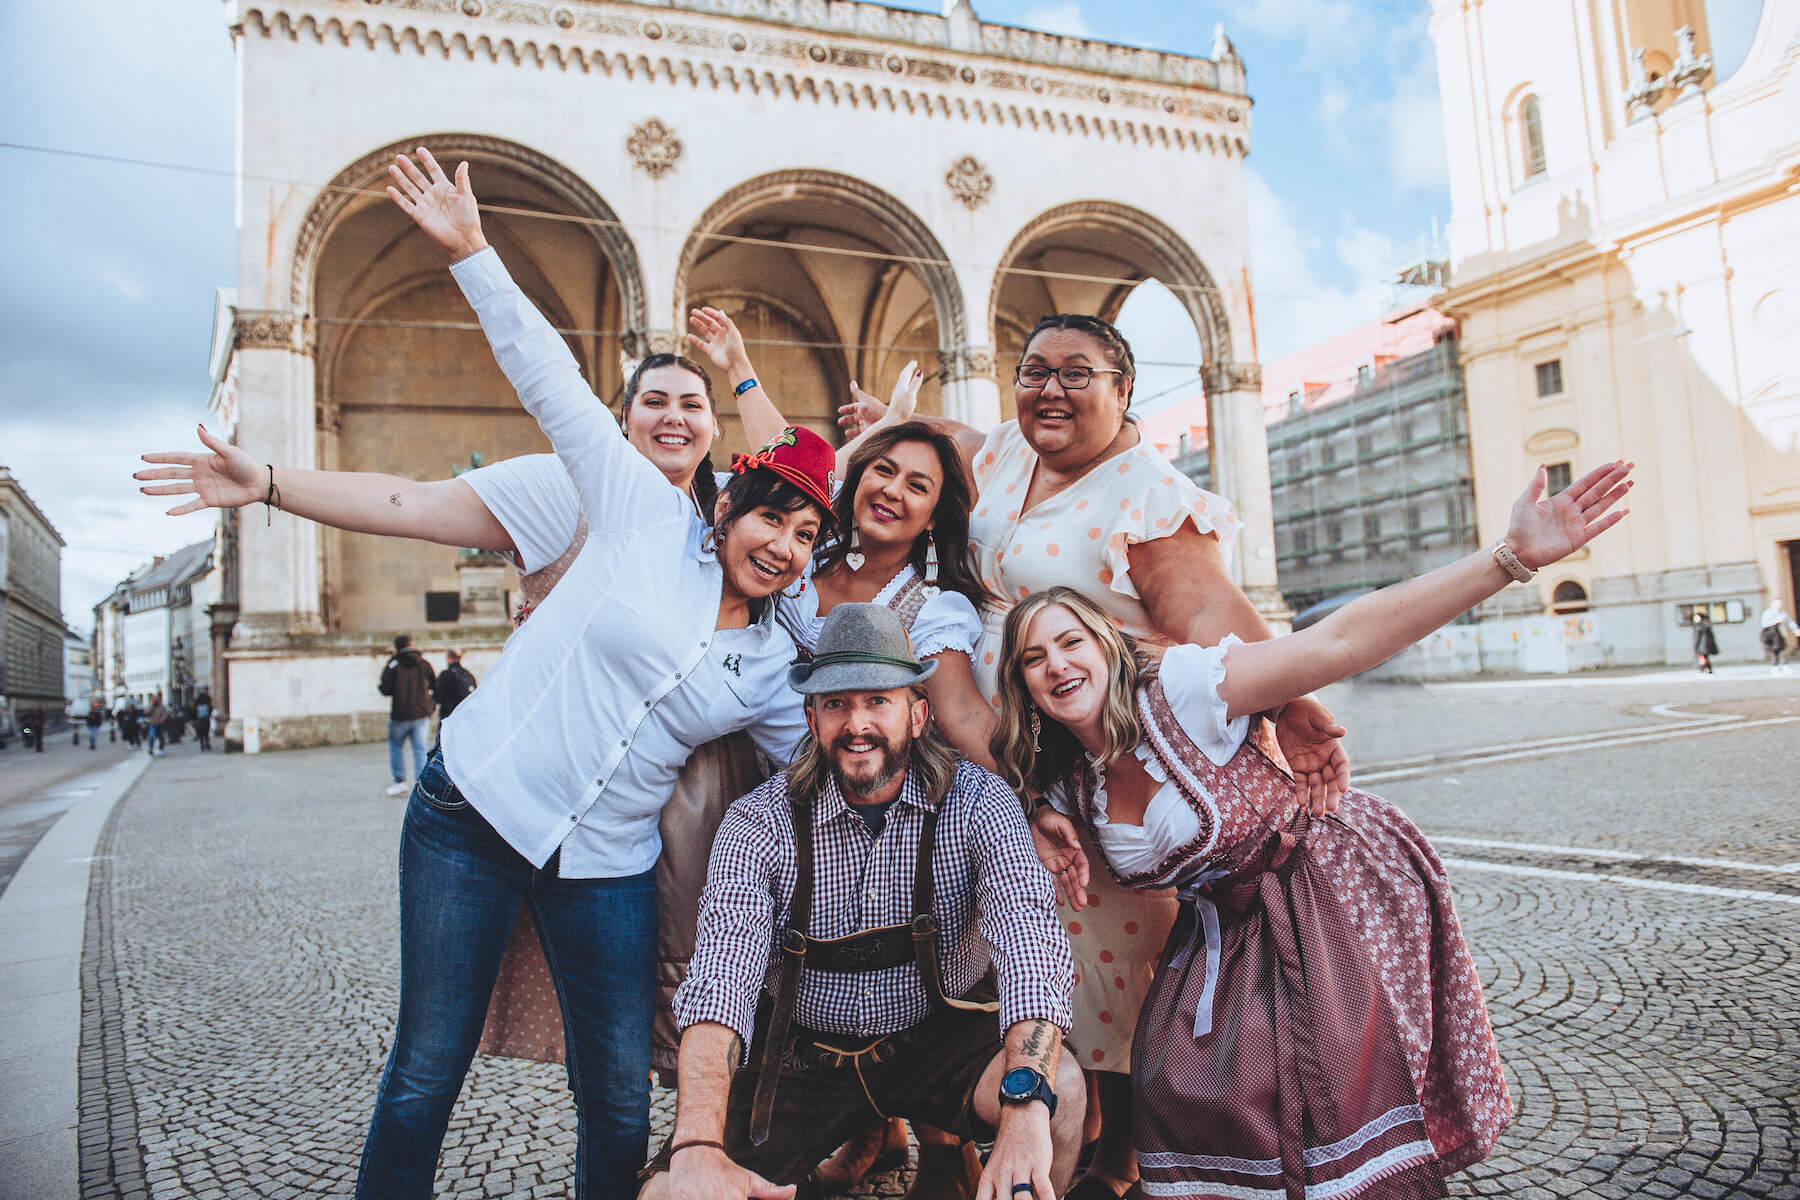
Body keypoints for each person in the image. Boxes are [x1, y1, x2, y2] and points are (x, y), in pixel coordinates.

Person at [307, 147, 832, 1200]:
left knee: (616, 1097)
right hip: (475, 813)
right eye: (771, 514)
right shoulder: (641, 516)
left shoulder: (779, 660)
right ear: (727, 509)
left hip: (608, 858)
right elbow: (549, 379)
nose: (783, 542)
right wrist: (472, 252)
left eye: (807, 533)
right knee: (425, 1072)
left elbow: (813, 773)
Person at [992, 460, 1633, 1200]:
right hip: (1221, 933)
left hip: (1326, 891)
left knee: (1332, 1103)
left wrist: (1507, 560)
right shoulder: (1073, 781)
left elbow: (1340, 643)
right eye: (1034, 658)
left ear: (1105, 645)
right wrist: (1038, 812)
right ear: (1024, 688)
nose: (1057, 665)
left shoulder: (1185, 689)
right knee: (1182, 1094)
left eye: (1070, 642)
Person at [838, 314, 1349, 1198]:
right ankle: (996, 1126)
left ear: (1123, 386)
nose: (1051, 389)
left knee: (1111, 962)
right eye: (1035, 370)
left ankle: (1121, 1165)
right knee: (1004, 941)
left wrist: (1291, 699)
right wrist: (890, 421)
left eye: (1079, 372)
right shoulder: (1003, 451)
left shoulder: (1145, 494)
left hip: (1094, 750)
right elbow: (955, 440)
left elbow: (1210, 613)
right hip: (992, 742)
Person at [642, 603, 1084, 1200]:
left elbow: (1031, 944)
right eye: (836, 703)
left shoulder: (980, 804)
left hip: (933, 1039)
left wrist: (1025, 1106)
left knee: (1062, 1093)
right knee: (670, 1191)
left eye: (878, 700)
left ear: (918, 713)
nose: (857, 723)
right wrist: (696, 1146)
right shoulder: (757, 822)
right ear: (811, 716)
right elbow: (721, 979)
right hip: (797, 1058)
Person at [380, 635, 438, 796]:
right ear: (411, 645)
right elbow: (435, 685)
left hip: (400, 714)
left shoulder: (394, 663)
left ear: (396, 647)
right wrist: (430, 706)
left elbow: (384, 688)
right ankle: (421, 782)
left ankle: (400, 780)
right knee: (420, 748)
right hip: (420, 713)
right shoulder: (423, 663)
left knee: (395, 746)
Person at [432, 649, 477, 725]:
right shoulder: (468, 675)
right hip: (464, 715)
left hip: (448, 715)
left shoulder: (445, 674)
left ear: (448, 658)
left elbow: (437, 696)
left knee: (443, 736)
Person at [1761, 600, 1798, 675]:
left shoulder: (1782, 612)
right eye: (1777, 603)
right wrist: (1776, 621)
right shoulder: (1768, 613)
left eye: (1780, 603)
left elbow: (1789, 621)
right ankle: (1775, 668)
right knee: (1775, 651)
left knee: (1784, 650)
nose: (1779, 605)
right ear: (1772, 604)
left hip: (1780, 634)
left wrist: (1796, 630)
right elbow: (1764, 624)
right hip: (1771, 636)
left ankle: (1785, 666)